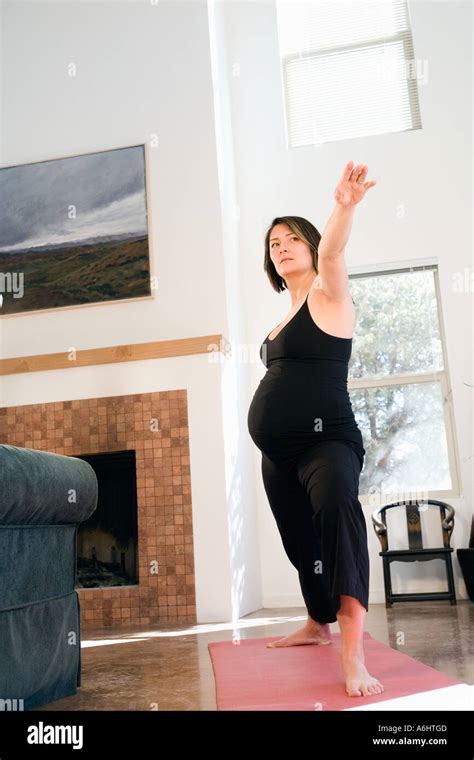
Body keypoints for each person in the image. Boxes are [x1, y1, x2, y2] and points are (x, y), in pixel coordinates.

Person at [247, 161, 384, 698]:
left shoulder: (329, 295)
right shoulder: (282, 317)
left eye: (291, 239)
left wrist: (345, 205)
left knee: (337, 523)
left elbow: (333, 253)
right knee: (300, 541)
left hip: (328, 443)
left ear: (310, 244)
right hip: (279, 454)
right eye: (274, 243)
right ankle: (315, 622)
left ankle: (355, 659)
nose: (282, 247)